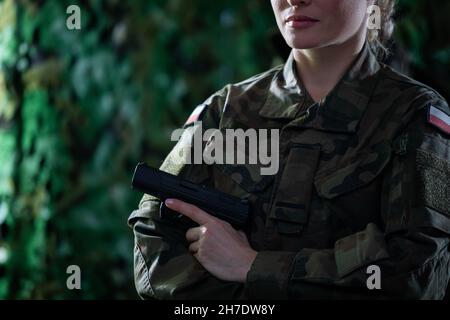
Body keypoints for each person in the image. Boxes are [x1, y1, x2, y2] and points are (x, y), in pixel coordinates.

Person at [128, 0, 450, 299]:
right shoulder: (224, 110)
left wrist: (253, 266)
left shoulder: (414, 117)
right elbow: (154, 238)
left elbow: (416, 275)